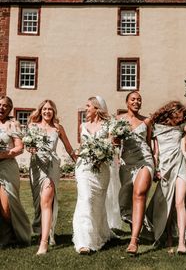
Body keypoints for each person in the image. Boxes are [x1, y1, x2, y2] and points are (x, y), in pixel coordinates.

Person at [142, 101, 186, 254]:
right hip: (165, 168)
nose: (181, 118)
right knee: (167, 201)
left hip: (179, 166)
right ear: (172, 112)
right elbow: (155, 151)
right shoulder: (156, 127)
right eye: (180, 114)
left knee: (179, 202)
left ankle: (181, 243)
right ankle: (169, 237)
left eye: (183, 115)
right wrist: (155, 169)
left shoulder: (181, 127)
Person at [27, 99, 77, 255]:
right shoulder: (32, 126)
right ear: (40, 111)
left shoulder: (57, 128)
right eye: (44, 109)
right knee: (39, 204)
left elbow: (69, 148)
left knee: (46, 200)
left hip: (52, 167)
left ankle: (44, 243)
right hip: (36, 166)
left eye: (50, 109)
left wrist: (81, 162)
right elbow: (28, 145)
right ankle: (45, 230)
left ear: (54, 112)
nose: (47, 111)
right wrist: (31, 148)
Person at [72, 96, 114, 254]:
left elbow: (111, 146)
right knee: (86, 198)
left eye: (88, 105)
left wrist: (101, 155)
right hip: (83, 168)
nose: (86, 108)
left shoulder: (108, 125)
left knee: (97, 202)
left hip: (101, 169)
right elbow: (82, 146)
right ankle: (84, 241)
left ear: (97, 108)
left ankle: (99, 233)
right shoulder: (83, 125)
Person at [117, 91, 155, 254]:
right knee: (127, 201)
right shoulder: (119, 120)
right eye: (133, 99)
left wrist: (157, 165)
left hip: (144, 160)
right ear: (127, 102)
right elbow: (114, 142)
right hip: (126, 163)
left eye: (139, 99)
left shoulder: (146, 121)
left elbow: (149, 143)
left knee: (139, 194)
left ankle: (134, 241)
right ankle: (141, 229)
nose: (136, 102)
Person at [0, 96, 31, 247]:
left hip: (7, 167)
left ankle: (16, 235)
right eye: (0, 105)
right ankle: (5, 239)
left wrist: (4, 154)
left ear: (10, 109)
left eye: (5, 106)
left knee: (7, 206)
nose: (2, 108)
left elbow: (19, 148)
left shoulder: (13, 124)